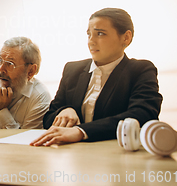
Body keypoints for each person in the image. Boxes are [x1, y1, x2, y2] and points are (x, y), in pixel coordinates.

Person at [31, 8, 163, 146]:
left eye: (100, 34)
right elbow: (48, 118)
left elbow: (142, 114)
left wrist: (80, 131)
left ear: (126, 37)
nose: (91, 41)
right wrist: (65, 110)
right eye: (89, 34)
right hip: (74, 157)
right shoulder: (72, 69)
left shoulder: (140, 70)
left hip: (117, 156)